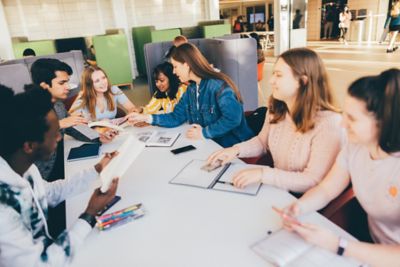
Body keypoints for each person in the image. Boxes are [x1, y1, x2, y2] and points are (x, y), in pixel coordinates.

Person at [280, 68, 400, 266]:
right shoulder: (355, 146)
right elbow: (327, 189)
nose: (342, 124)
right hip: (370, 247)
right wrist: (300, 207)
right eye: (344, 114)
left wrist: (339, 245)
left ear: (384, 123)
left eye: (352, 119)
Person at [0, 84, 119, 267]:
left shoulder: (25, 167)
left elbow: (50, 193)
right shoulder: (4, 209)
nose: (59, 138)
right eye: (54, 134)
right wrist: (89, 215)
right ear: (29, 146)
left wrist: (97, 169)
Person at [207, 48, 343, 193]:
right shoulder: (276, 109)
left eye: (279, 75)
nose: (271, 81)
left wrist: (263, 174)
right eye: (273, 74)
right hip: (279, 190)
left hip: (306, 203)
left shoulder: (329, 123)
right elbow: (261, 142)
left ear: (303, 81)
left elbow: (313, 181)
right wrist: (235, 150)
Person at [30, 58, 117, 237]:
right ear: (44, 85)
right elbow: (29, 132)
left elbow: (73, 127)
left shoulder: (59, 104)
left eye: (67, 82)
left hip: (59, 163)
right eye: (62, 83)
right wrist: (60, 123)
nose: (68, 87)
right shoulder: (30, 107)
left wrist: (98, 137)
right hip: (41, 176)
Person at [127, 43, 254, 148]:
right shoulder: (191, 89)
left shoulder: (218, 86)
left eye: (175, 66)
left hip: (234, 147)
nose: (173, 71)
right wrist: (146, 118)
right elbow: (176, 117)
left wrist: (204, 133)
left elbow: (233, 119)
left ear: (187, 64)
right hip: (210, 145)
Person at [69, 65, 139, 120]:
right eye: (97, 81)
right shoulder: (83, 97)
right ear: (89, 85)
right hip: (95, 134)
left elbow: (131, 108)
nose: (103, 83)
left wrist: (134, 111)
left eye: (103, 78)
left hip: (113, 131)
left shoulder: (113, 90)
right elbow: (71, 119)